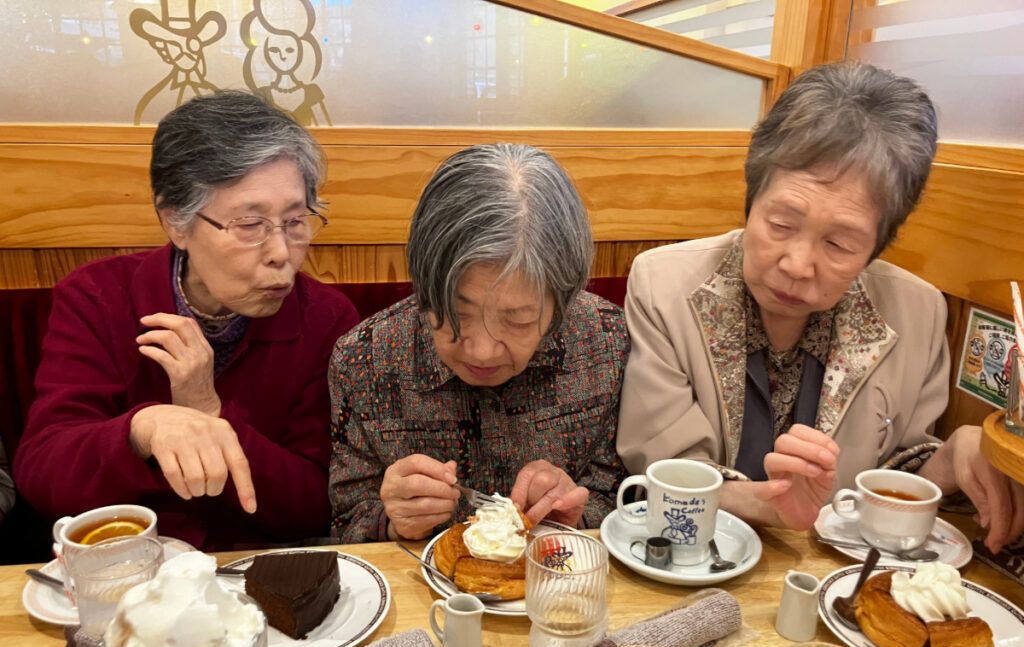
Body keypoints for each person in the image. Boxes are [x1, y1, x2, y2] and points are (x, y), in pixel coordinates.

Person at [617, 61, 1024, 554]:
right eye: (781, 224)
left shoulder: (918, 312)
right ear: (751, 198)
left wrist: (954, 457)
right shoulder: (664, 285)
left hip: (841, 578)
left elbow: (894, 477)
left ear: (878, 245)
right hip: (693, 562)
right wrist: (771, 506)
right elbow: (664, 470)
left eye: (839, 244)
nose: (797, 264)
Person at [14, 90, 359, 551]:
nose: (282, 255)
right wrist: (143, 429)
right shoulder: (97, 298)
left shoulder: (327, 319)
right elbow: (43, 474)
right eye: (250, 225)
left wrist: (209, 411)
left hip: (257, 575)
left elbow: (315, 503)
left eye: (296, 221)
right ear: (177, 222)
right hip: (125, 571)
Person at [329, 143, 629, 542]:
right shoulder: (365, 358)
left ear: (562, 302)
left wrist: (578, 517)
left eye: (518, 320)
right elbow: (343, 523)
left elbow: (631, 505)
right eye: (457, 314)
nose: (482, 351)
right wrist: (391, 520)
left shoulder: (606, 343)